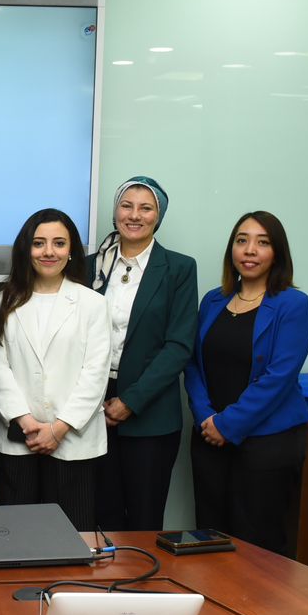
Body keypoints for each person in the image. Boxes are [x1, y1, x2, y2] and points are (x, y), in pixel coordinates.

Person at [184, 210, 308, 556]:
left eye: (262, 242)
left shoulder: (294, 305)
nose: (250, 250)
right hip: (210, 440)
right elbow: (194, 363)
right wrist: (206, 418)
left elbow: (279, 376)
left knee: (259, 551)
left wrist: (227, 424)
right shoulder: (213, 300)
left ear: (277, 252)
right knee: (210, 543)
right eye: (242, 241)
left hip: (267, 444)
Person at [0, 209, 110, 529]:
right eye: (39, 243)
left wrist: (58, 428)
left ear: (71, 251)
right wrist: (26, 422)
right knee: (16, 535)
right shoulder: (1, 302)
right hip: (17, 437)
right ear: (26, 249)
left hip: (73, 439)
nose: (49, 251)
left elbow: (95, 373)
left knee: (73, 534)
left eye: (59, 243)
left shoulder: (92, 304)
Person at [86, 177, 198, 533]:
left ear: (158, 216)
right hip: (92, 408)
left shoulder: (179, 269)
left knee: (144, 521)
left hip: (150, 413)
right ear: (115, 212)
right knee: (99, 518)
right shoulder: (91, 267)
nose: (134, 215)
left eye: (145, 208)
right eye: (127, 206)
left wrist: (130, 401)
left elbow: (179, 345)